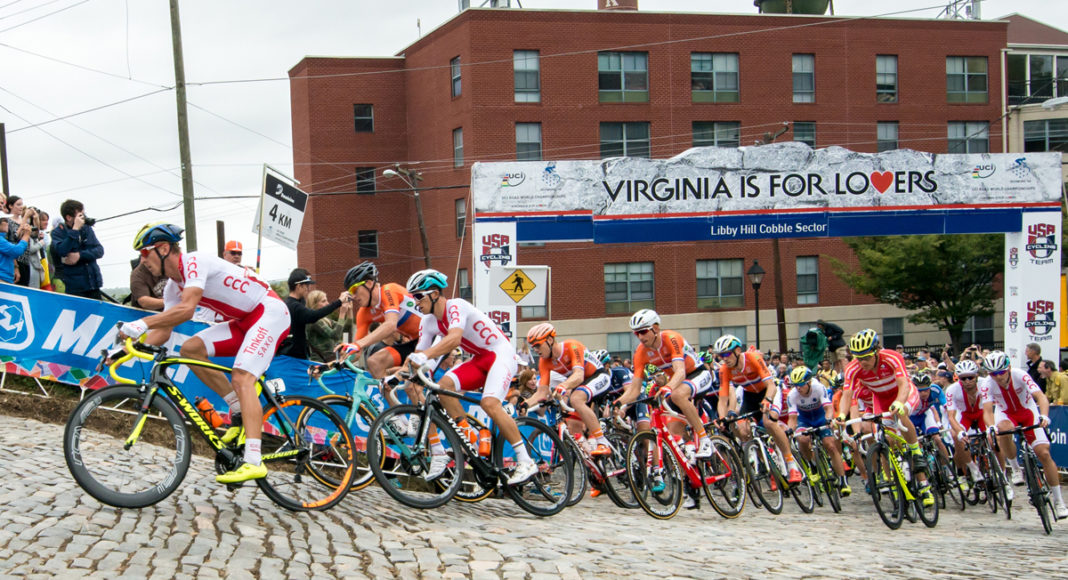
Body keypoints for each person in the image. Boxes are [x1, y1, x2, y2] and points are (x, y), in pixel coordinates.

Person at [117, 223, 291, 484]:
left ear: (163, 249)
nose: (143, 261)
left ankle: (254, 461)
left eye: (145, 253)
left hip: (269, 312)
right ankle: (238, 410)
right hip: (244, 321)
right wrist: (123, 352)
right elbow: (164, 330)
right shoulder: (172, 288)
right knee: (191, 349)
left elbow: (187, 310)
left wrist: (142, 324)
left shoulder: (194, 262)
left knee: (242, 377)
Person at [402, 269, 537, 485]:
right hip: (479, 359)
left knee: (489, 404)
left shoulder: (456, 306)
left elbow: (454, 339)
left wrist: (424, 356)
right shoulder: (427, 321)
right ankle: (471, 440)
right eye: (413, 297)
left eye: (418, 296)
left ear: (435, 294)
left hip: (500, 354)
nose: (416, 302)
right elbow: (419, 355)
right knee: (443, 387)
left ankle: (525, 461)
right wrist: (401, 374)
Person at [835, 328, 934, 506]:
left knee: (901, 413)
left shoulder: (892, 357)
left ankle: (917, 458)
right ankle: (896, 483)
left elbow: (903, 384)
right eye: (858, 357)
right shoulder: (853, 368)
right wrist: (842, 414)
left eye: (866, 357)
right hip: (881, 399)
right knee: (887, 439)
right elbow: (847, 395)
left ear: (877, 351)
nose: (862, 362)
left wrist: (899, 402)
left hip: (903, 393)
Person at [618, 309, 715, 459]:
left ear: (655, 328)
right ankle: (689, 448)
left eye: (643, 332)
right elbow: (635, 389)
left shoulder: (671, 338)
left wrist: (668, 387)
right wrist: (618, 404)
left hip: (698, 374)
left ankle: (705, 440)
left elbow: (680, 371)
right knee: (672, 427)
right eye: (636, 333)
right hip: (678, 383)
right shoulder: (641, 352)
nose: (640, 337)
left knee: (678, 395)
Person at [981, 351, 1067, 518]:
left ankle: (1059, 502)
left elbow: (1040, 396)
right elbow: (987, 410)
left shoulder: (1020, 375)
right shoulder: (987, 383)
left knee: (1044, 453)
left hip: (1027, 410)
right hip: (1006, 413)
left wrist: (1044, 416)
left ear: (1008, 368)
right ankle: (1015, 469)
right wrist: (991, 426)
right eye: (993, 374)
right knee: (1002, 430)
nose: (997, 377)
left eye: (1001, 372)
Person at [715, 334, 803, 483]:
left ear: (737, 351)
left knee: (769, 423)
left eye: (727, 354)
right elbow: (723, 399)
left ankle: (791, 465)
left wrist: (767, 400)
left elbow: (771, 385)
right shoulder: (724, 369)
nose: (724, 359)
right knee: (743, 431)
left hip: (768, 392)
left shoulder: (752, 358)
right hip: (750, 396)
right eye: (721, 356)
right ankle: (768, 464)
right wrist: (722, 418)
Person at [525, 323, 612, 456]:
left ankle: (603, 443)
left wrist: (564, 385)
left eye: (537, 345)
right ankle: (590, 460)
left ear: (550, 340)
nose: (535, 350)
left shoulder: (572, 346)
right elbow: (542, 391)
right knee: (573, 426)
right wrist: (525, 404)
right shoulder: (544, 362)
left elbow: (578, 375)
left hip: (598, 376)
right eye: (533, 347)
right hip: (581, 385)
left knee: (576, 399)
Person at [336, 262, 426, 382]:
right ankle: (387, 392)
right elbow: (357, 353)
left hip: (433, 337)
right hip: (414, 343)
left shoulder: (389, 290)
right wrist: (333, 364)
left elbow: (390, 325)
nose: (353, 296)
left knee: (413, 385)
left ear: (369, 283)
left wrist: (358, 344)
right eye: (350, 293)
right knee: (374, 362)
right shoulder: (363, 313)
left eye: (354, 290)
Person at [786, 366, 851, 496]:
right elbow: (792, 419)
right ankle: (812, 464)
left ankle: (843, 480)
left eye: (801, 384)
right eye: (795, 385)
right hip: (804, 419)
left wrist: (828, 420)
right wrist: (790, 430)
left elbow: (828, 409)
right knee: (802, 439)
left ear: (809, 382)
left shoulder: (819, 387)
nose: (798, 388)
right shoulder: (792, 395)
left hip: (821, 417)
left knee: (830, 445)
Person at [276, 268, 345, 359]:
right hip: (293, 358)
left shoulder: (295, 303)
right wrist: (339, 302)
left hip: (295, 356)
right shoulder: (294, 306)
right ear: (299, 286)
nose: (308, 289)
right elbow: (313, 316)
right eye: (306, 285)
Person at [943, 359, 989, 485]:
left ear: (976, 376)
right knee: (956, 436)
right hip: (964, 415)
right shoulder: (952, 389)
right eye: (963, 378)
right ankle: (972, 469)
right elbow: (951, 416)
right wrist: (959, 432)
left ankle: (996, 469)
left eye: (970, 377)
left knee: (993, 437)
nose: (967, 381)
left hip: (981, 413)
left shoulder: (985, 383)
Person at [49, 199, 105, 299]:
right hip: (75, 286)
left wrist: (80, 255)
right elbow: (62, 250)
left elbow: (99, 250)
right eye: (80, 215)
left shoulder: (86, 228)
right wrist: (75, 230)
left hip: (93, 284)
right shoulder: (58, 232)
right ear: (69, 217)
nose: (83, 217)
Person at [305, 289, 353, 362]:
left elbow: (346, 328)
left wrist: (349, 310)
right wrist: (342, 313)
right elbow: (335, 335)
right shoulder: (314, 321)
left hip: (329, 361)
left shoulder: (324, 320)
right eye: (323, 301)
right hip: (319, 363)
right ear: (314, 303)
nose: (327, 303)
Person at [0, 212, 32, 283]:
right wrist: (26, 235)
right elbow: (16, 251)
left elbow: (10, 252)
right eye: (3, 220)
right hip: (2, 279)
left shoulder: (3, 239)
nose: (7, 222)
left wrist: (16, 267)